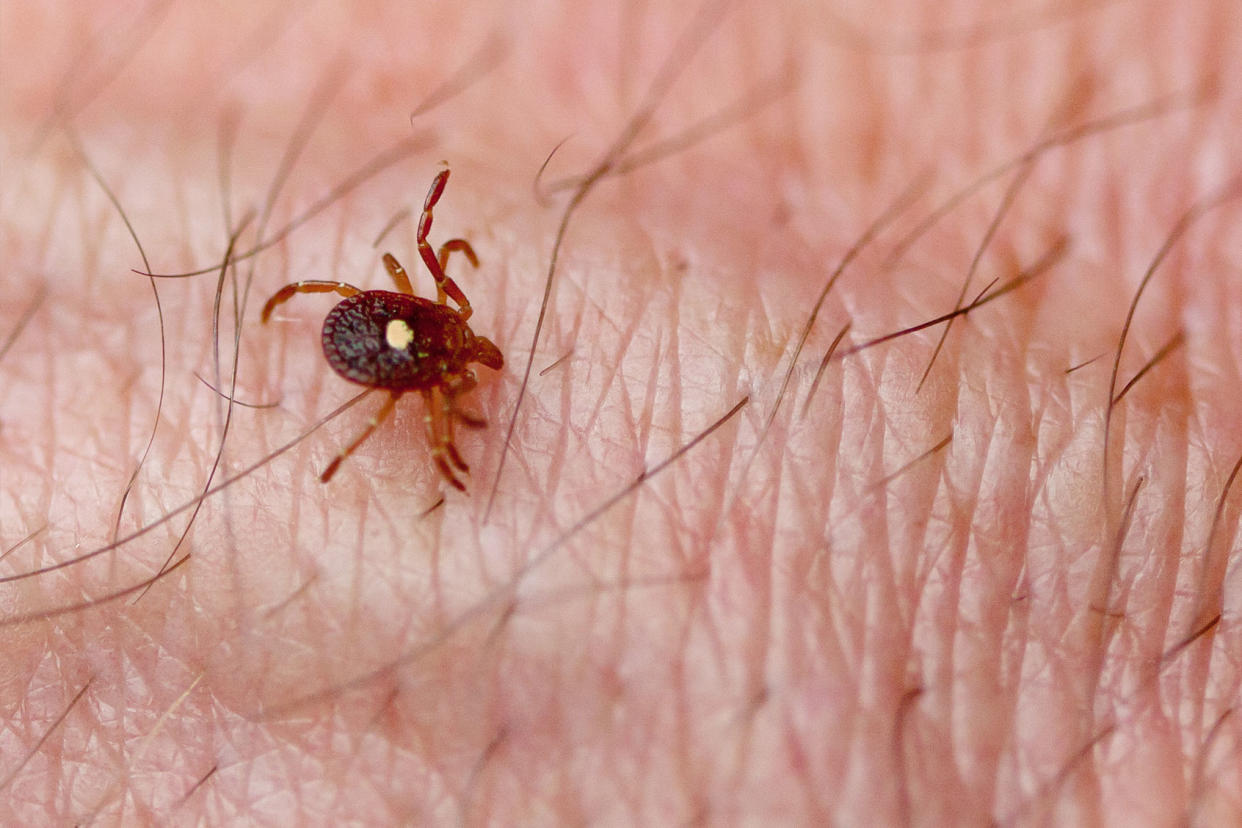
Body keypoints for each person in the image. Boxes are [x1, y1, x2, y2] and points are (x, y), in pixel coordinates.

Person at [2, 1, 1238, 823]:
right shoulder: (425, 377)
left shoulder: (427, 351)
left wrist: (436, 382)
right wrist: (438, 443)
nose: (466, 344)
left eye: (455, 337)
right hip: (359, 348)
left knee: (360, 312)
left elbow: (400, 286)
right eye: (457, 349)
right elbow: (407, 321)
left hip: (359, 342)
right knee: (363, 340)